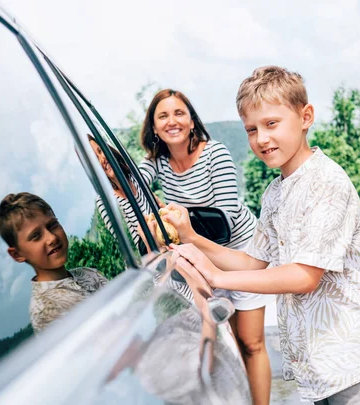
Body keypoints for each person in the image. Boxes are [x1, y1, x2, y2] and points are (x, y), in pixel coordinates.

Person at [165, 66, 360, 404]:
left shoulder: (325, 181)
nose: (261, 139)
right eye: (251, 129)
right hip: (319, 367)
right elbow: (251, 261)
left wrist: (217, 276)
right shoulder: (275, 193)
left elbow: (304, 275)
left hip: (356, 362)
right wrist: (192, 237)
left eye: (271, 124)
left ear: (305, 117)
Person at [139, 89, 273, 405]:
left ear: (191, 120)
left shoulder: (216, 154)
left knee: (250, 342)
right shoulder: (158, 164)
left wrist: (184, 228)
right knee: (227, 347)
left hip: (240, 250)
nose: (172, 121)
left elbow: (224, 221)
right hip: (199, 253)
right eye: (163, 116)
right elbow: (133, 185)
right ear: (154, 128)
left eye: (179, 113)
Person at [0, 192, 107, 333]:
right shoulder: (45, 310)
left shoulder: (88, 274)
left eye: (52, 225)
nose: (52, 238)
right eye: (36, 236)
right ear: (17, 254)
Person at [87, 135, 157, 250]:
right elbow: (130, 246)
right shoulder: (105, 202)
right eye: (95, 159)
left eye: (100, 151)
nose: (102, 159)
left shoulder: (134, 175)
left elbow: (152, 159)